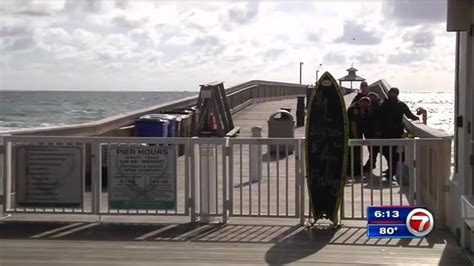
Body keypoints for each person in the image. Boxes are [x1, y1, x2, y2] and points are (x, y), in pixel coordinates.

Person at [376, 87, 419, 179]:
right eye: (390, 92)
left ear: (396, 94)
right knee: (388, 152)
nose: (390, 94)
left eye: (392, 93)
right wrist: (378, 130)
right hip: (386, 133)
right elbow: (379, 119)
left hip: (395, 133)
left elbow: (409, 115)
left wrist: (417, 119)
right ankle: (391, 170)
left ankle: (391, 171)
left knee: (393, 153)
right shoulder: (384, 104)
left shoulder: (398, 104)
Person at [347, 97, 371, 177]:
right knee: (353, 152)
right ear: (362, 102)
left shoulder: (361, 108)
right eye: (365, 105)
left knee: (357, 152)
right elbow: (353, 124)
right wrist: (356, 137)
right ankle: (352, 170)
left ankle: (356, 169)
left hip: (358, 134)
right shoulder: (354, 109)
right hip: (352, 135)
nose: (366, 107)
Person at [362, 92, 382, 173]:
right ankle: (371, 163)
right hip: (369, 132)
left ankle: (370, 164)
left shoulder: (378, 106)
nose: (371, 99)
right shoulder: (370, 107)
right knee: (372, 149)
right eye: (370, 98)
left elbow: (377, 120)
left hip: (375, 132)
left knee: (374, 149)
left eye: (373, 98)